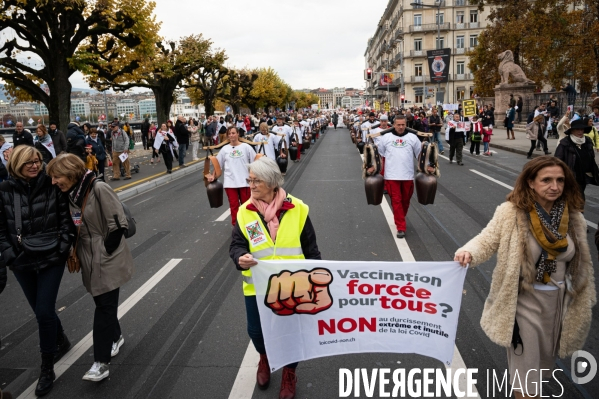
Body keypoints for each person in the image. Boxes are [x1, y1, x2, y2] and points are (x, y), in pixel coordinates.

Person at [454, 156, 595, 399]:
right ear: (530, 182)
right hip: (524, 304)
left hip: (559, 305)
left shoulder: (574, 217)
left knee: (540, 371)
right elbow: (487, 239)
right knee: (527, 379)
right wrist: (468, 251)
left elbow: (582, 261)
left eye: (560, 180)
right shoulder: (511, 212)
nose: (555, 186)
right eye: (546, 180)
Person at [229, 156, 321, 399]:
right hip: (257, 288)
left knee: (291, 334)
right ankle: (264, 357)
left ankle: (289, 372)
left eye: (256, 181)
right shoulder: (245, 212)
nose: (251, 185)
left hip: (295, 288)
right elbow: (236, 245)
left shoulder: (298, 209)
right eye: (249, 180)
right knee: (257, 333)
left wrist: (317, 283)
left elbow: (311, 251)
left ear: (271, 183)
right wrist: (240, 257)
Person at [47, 154, 133, 382]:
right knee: (101, 301)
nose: (54, 182)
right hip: (87, 255)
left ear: (70, 173)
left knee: (104, 305)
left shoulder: (98, 188)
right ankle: (116, 337)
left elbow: (118, 225)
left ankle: (100, 363)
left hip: (106, 255)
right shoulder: (70, 194)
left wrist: (104, 251)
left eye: (57, 177)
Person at [0, 146, 74, 396]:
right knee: (42, 311)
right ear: (16, 164)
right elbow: (1, 230)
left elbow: (66, 219)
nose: (34, 165)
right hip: (21, 261)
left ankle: (46, 367)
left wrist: (62, 248)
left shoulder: (52, 185)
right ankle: (61, 337)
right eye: (28, 162)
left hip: (51, 257)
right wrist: (10, 255)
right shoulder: (5, 191)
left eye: (37, 161)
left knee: (43, 311)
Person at [369, 116, 433, 238]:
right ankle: (401, 227)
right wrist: (373, 167)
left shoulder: (412, 137)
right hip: (391, 175)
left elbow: (420, 155)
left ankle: (400, 218)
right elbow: (380, 155)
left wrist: (429, 166)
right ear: (393, 125)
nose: (401, 127)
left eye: (403, 124)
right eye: (398, 124)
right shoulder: (386, 138)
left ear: (406, 124)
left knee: (405, 200)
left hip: (408, 175)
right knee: (396, 201)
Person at [206, 126, 257, 226]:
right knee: (234, 206)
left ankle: (250, 226)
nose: (231, 135)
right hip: (230, 183)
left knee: (247, 205)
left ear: (238, 134)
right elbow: (218, 164)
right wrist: (213, 176)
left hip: (245, 182)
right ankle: (236, 227)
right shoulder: (225, 149)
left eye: (233, 133)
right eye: (229, 134)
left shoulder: (246, 147)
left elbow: (255, 161)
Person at [555, 118, 599, 202]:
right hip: (571, 175)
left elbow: (591, 157)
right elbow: (558, 160)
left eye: (582, 129)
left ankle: (577, 212)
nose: (580, 132)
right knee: (576, 196)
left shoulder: (587, 141)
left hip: (584, 175)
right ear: (572, 131)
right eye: (577, 129)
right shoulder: (565, 143)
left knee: (580, 194)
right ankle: (576, 212)